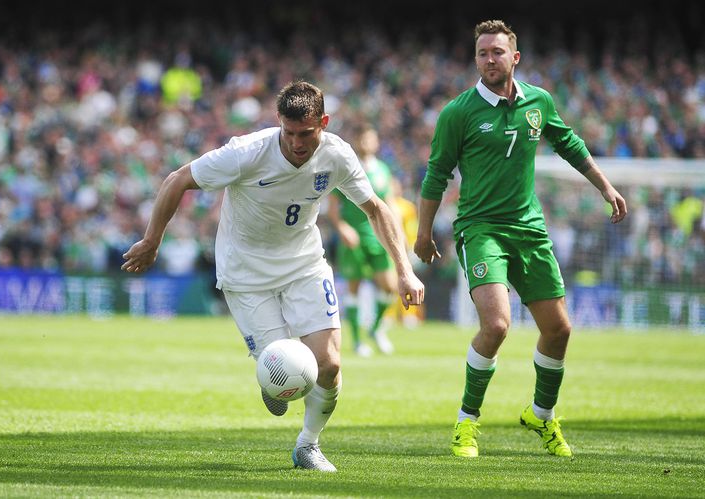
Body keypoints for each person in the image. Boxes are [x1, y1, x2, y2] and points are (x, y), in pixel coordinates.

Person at [122, 81, 424, 472]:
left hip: (304, 264)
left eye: (307, 134)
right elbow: (176, 179)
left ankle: (308, 446)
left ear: (324, 123)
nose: (297, 143)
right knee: (283, 371)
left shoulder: (338, 155)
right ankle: (272, 377)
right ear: (278, 122)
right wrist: (152, 240)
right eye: (289, 133)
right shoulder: (246, 152)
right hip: (246, 274)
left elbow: (378, 210)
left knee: (328, 364)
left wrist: (404, 271)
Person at [414, 20, 627, 459]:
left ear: (515, 57)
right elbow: (436, 174)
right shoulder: (459, 112)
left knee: (559, 329)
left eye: (497, 52)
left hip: (529, 228)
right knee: (496, 326)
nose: (489, 60)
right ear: (476, 60)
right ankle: (466, 424)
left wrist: (605, 187)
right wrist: (422, 234)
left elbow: (567, 142)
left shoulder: (538, 102)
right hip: (480, 228)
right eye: (482, 54)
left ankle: (541, 416)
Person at [327, 127, 399, 356]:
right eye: (362, 138)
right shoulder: (348, 167)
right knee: (354, 289)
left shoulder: (383, 170)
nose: (366, 142)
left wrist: (398, 234)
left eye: (370, 138)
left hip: (378, 236)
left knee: (390, 286)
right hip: (354, 237)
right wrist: (342, 227)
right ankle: (358, 341)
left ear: (376, 142)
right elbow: (333, 208)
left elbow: (389, 204)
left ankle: (376, 329)